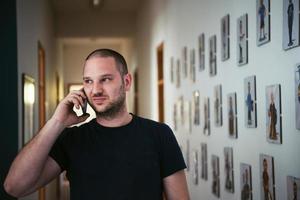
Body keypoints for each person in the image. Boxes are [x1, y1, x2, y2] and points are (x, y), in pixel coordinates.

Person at [4, 49, 190, 200]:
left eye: (105, 79)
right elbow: (14, 187)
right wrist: (57, 122)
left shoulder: (159, 134)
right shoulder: (73, 139)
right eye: (88, 81)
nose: (96, 90)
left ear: (126, 82)